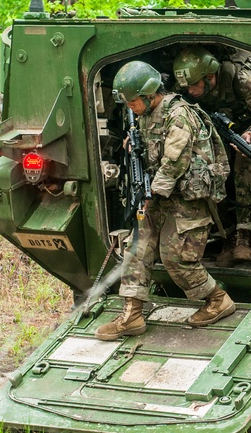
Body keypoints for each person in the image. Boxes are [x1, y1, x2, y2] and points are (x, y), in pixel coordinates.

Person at [97, 60, 235, 341]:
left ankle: (218, 299)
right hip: (157, 196)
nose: (130, 107)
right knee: (137, 248)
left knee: (176, 259)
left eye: (133, 101)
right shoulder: (145, 114)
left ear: (149, 94)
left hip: (185, 199)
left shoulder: (180, 114)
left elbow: (174, 162)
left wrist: (148, 197)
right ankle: (132, 314)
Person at [172, 45, 251, 265]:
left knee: (246, 160)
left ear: (210, 77)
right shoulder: (187, 83)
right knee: (204, 167)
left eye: (195, 86)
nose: (190, 91)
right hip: (213, 136)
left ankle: (245, 234)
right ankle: (226, 233)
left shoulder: (242, 81)